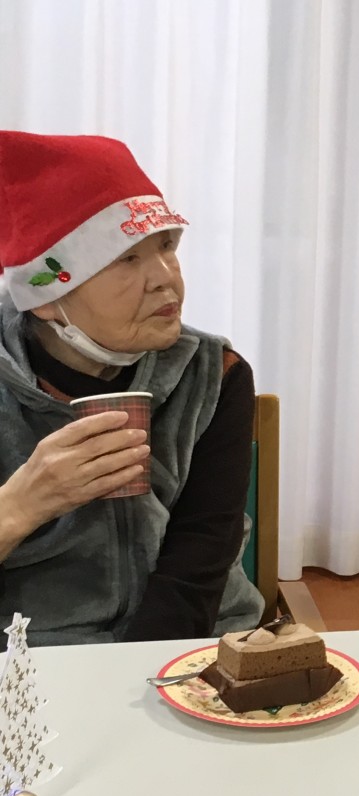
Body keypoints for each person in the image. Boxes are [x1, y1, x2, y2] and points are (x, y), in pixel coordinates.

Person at [0, 131, 264, 645]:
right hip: (34, 658)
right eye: (126, 258)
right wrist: (22, 503)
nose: (166, 278)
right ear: (47, 298)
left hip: (190, 644)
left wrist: (141, 674)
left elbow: (203, 549)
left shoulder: (215, 374)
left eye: (166, 246)